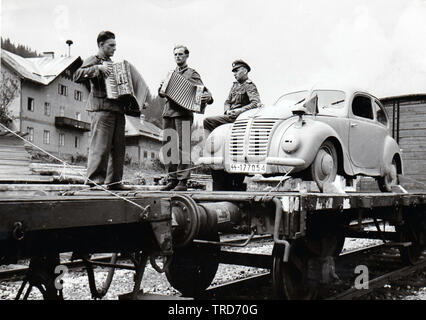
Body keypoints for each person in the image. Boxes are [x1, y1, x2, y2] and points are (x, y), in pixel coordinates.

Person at [73, 31, 130, 190]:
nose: (114, 48)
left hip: (117, 110)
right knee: (101, 146)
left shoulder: (113, 64)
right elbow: (77, 75)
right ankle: (94, 181)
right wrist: (97, 68)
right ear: (100, 45)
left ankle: (114, 182)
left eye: (115, 45)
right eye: (111, 45)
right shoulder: (94, 60)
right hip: (102, 109)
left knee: (118, 149)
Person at [159, 45, 213, 191]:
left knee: (183, 148)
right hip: (168, 113)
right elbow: (161, 91)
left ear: (186, 56)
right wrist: (161, 89)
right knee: (169, 147)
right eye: (175, 54)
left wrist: (208, 97)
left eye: (181, 54)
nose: (178, 56)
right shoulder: (170, 74)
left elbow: (205, 92)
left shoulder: (192, 74)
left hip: (183, 114)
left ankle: (182, 181)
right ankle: (172, 179)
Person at [203, 60, 261, 136]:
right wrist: (227, 111)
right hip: (231, 116)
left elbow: (255, 103)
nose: (234, 74)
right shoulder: (235, 85)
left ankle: (209, 147)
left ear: (245, 71)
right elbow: (227, 102)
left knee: (208, 121)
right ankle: (212, 145)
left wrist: (240, 111)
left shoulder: (249, 86)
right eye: (234, 72)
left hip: (241, 117)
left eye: (236, 71)